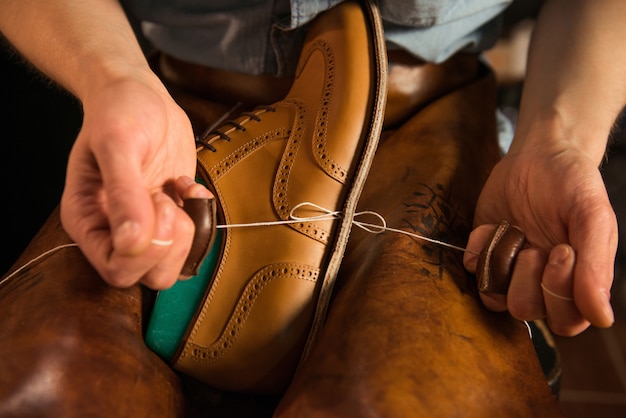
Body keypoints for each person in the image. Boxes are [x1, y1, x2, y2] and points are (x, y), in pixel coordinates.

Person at [0, 0, 622, 415]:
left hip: (430, 117)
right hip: (168, 115)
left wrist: (559, 137)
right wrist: (112, 80)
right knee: (40, 394)